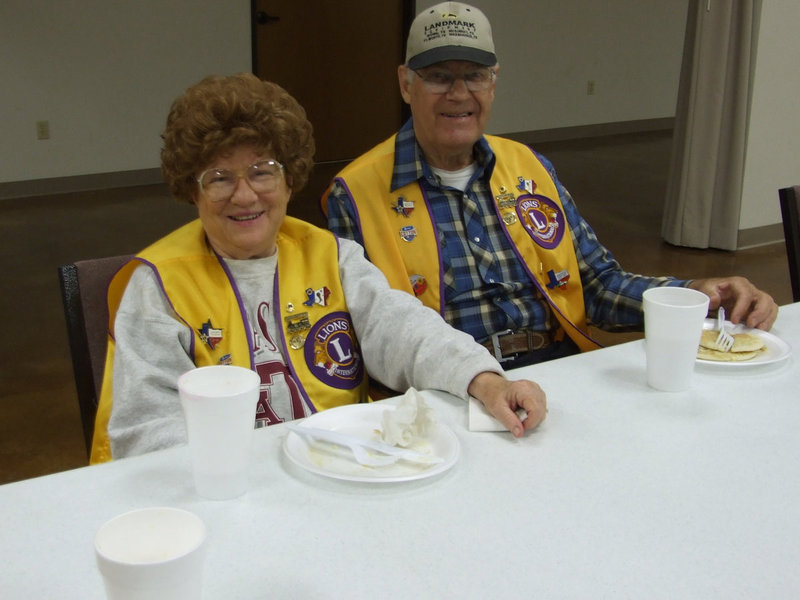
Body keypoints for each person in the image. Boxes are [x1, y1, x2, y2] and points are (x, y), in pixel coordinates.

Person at [89, 73, 546, 464]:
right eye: (219, 178)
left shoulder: (331, 256)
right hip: (230, 490)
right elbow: (146, 429)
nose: (244, 196)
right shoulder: (158, 286)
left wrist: (483, 380)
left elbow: (403, 331)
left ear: (290, 178)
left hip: (345, 470)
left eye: (262, 171)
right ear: (192, 191)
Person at [323, 1, 778, 368]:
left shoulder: (529, 167)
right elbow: (371, 331)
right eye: (439, 77)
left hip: (557, 367)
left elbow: (597, 285)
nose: (459, 94)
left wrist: (694, 294)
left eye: (474, 75)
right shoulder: (356, 194)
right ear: (406, 84)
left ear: (493, 83)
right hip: (447, 386)